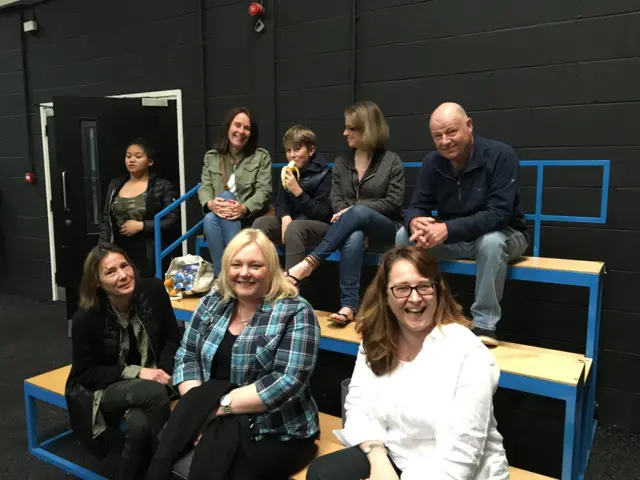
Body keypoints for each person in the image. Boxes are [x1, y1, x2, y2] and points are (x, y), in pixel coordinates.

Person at [306, 246, 509, 480]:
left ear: (437, 290)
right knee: (323, 474)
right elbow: (358, 408)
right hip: (396, 455)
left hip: (456, 472)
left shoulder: (467, 351)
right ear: (386, 295)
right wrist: (378, 458)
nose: (414, 298)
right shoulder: (376, 340)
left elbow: (460, 459)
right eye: (402, 288)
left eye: (424, 286)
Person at [168, 228, 321, 479]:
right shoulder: (213, 301)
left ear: (270, 269)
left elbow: (286, 381)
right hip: (212, 415)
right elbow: (187, 356)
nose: (244, 273)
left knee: (229, 472)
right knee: (164, 452)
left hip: (276, 429)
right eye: (236, 264)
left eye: (255, 265)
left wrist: (214, 409)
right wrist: (199, 410)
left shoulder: (296, 311)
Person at [396, 102, 528, 347]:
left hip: (506, 234)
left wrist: (447, 229)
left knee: (491, 242)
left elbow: (499, 214)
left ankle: (485, 324)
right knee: (404, 237)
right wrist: (415, 221)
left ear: (469, 126)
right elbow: (416, 206)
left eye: (451, 132)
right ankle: (415, 311)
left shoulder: (501, 155)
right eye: (437, 136)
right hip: (457, 237)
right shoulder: (432, 163)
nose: (445, 141)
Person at [65, 243, 182, 480]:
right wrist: (138, 372)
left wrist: (163, 370)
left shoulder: (153, 291)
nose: (122, 276)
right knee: (154, 394)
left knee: (138, 426)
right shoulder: (86, 318)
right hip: (105, 387)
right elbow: (86, 375)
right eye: (110, 272)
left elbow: (172, 336)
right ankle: (163, 470)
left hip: (155, 379)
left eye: (124, 266)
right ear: (97, 281)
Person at [285, 101, 405, 325]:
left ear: (367, 128)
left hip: (386, 228)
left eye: (351, 128)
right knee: (355, 233)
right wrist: (349, 214)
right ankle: (349, 306)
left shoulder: (391, 161)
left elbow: (394, 203)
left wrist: (357, 210)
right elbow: (335, 199)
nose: (344, 132)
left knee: (358, 213)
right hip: (349, 229)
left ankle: (309, 264)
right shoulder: (342, 162)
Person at [198, 107, 272, 277]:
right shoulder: (212, 157)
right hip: (217, 217)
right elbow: (205, 187)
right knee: (210, 217)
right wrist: (210, 204)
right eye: (237, 125)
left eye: (246, 128)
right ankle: (231, 276)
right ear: (228, 127)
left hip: (248, 219)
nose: (241, 131)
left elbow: (264, 190)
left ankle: (222, 278)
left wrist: (244, 208)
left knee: (220, 205)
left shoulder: (261, 157)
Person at [253, 124, 332, 269]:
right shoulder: (288, 171)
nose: (292, 155)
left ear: (311, 150)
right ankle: (262, 279)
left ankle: (292, 287)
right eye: (288, 150)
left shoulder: (324, 174)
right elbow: (280, 203)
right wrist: (284, 217)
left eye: (297, 149)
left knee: (294, 228)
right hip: (293, 224)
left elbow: (321, 213)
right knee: (261, 224)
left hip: (319, 227)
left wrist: (298, 192)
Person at [99, 138, 179, 277]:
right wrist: (102, 248)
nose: (131, 160)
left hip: (148, 249)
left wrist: (142, 226)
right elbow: (107, 219)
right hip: (119, 247)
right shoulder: (115, 184)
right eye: (128, 156)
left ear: (150, 161)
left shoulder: (163, 186)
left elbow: (172, 219)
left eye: (138, 156)